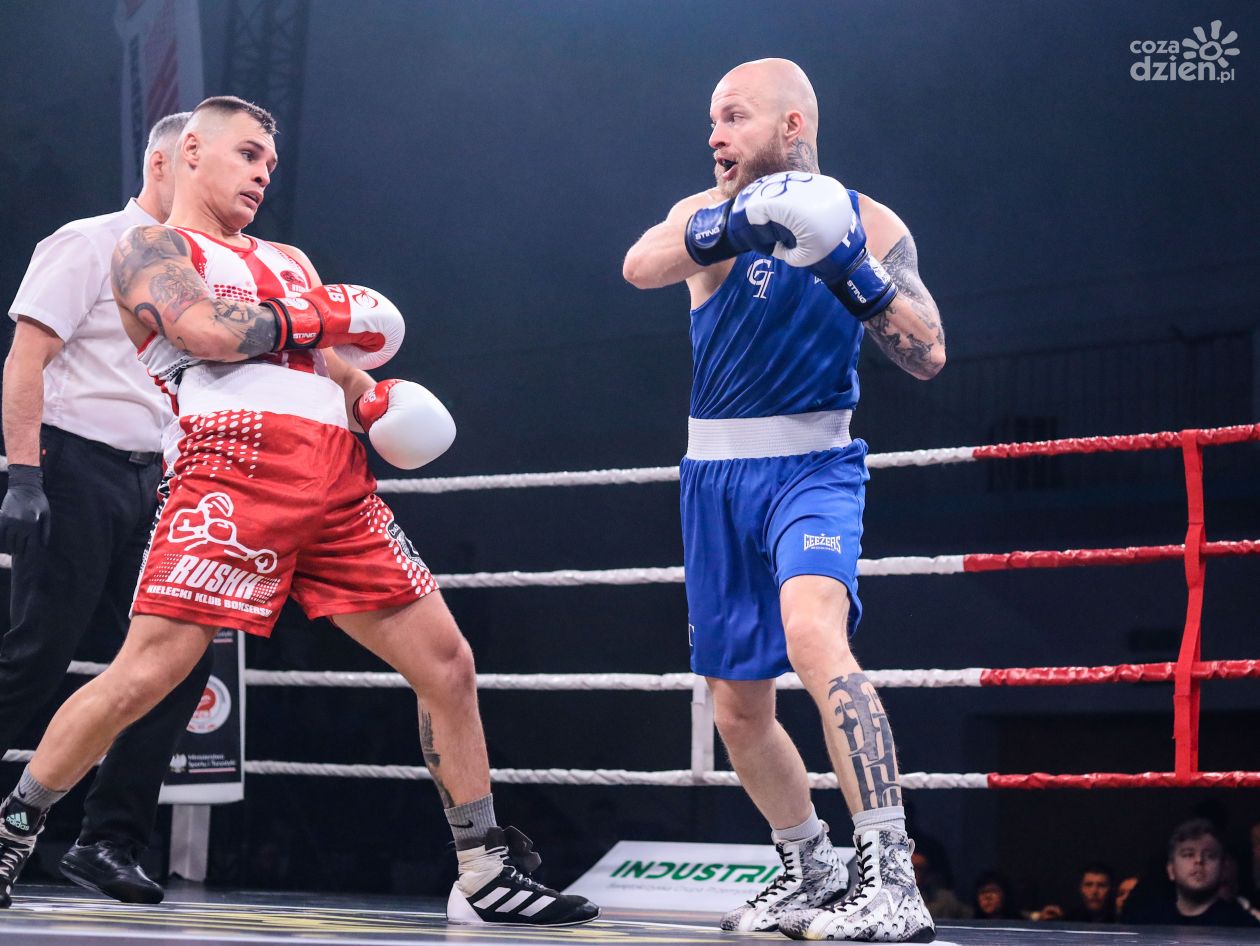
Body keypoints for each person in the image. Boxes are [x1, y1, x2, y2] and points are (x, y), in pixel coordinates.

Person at [0, 95, 598, 928]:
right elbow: (206, 331)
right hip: (230, 472)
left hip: (337, 485)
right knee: (145, 673)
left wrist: (376, 400)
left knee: (448, 663)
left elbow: (334, 367)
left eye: (270, 164)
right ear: (192, 151)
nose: (262, 174)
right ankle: (13, 832)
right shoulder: (151, 248)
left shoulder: (289, 259)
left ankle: (483, 869)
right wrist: (328, 314)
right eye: (247, 154)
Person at [623, 58, 944, 942]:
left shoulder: (872, 224)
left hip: (815, 468)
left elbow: (927, 353)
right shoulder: (707, 215)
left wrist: (850, 268)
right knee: (737, 705)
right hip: (715, 477)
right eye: (712, 120)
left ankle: (892, 880)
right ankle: (810, 868)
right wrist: (739, 223)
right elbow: (639, 265)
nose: (715, 136)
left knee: (812, 635)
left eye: (733, 116)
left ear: (791, 124)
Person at [0, 112, 213, 904]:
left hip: (158, 482)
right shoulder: (87, 242)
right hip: (73, 466)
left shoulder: (198, 276)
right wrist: (25, 474)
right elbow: (27, 356)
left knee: (176, 664)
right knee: (37, 655)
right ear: (164, 163)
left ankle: (108, 841)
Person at [1124, 818, 1260, 928]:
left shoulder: (1244, 926)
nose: (1199, 860)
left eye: (1210, 856)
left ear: (1223, 868)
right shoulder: (1147, 922)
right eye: (1188, 854)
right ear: (1171, 869)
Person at [1036, 862, 1116, 923]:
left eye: (1101, 885)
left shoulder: (1119, 919)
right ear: (1081, 888)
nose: (1094, 891)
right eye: (1088, 885)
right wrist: (1042, 924)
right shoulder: (1068, 920)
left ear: (1111, 889)